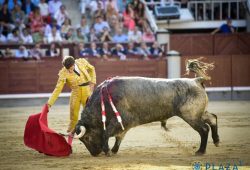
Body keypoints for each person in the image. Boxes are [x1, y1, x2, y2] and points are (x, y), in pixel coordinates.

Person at [47, 56, 96, 134]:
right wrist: (49, 103)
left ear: (74, 64)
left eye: (70, 68)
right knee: (73, 116)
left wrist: (92, 82)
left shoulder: (81, 62)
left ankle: (91, 132)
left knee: (89, 113)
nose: (69, 71)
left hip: (87, 91)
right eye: (68, 69)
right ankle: (70, 133)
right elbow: (58, 89)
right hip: (75, 93)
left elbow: (92, 68)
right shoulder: (63, 72)